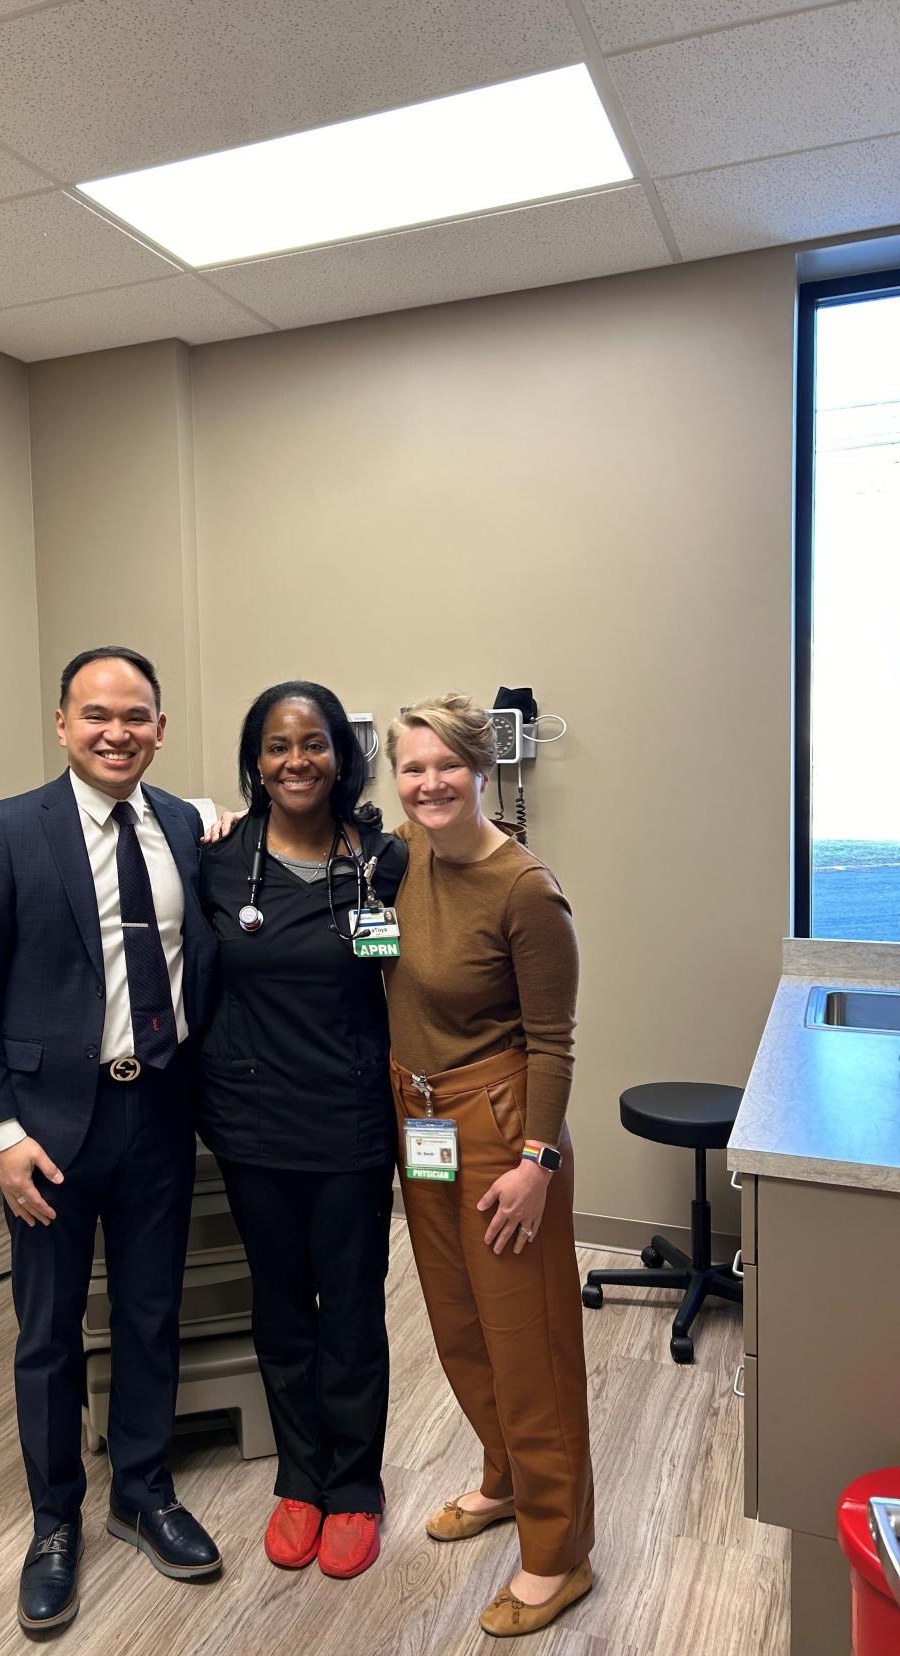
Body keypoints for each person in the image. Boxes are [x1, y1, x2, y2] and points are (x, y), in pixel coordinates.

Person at [0, 646, 221, 1636]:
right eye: (97, 714)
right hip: (48, 1129)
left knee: (149, 1315)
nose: (117, 732)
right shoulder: (9, 830)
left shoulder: (186, 825)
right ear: (62, 722)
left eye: (136, 716)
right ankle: (53, 1524)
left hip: (159, 1114)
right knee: (51, 1334)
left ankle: (141, 1490)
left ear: (159, 728)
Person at [384, 692, 594, 1640]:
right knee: (459, 1318)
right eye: (411, 767)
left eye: (445, 767)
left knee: (530, 1341)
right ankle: (504, 1479)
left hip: (500, 1125)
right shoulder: (406, 854)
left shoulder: (525, 891)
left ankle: (559, 1554)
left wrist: (538, 1163)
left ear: (481, 770)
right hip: (418, 1117)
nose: (428, 783)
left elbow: (553, 1042)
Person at [197, 682, 407, 1580]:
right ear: (255, 760)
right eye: (277, 746)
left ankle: (355, 1486)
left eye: (313, 744)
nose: (295, 761)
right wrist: (200, 812)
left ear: (339, 754)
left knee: (353, 1309)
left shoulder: (385, 861)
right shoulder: (215, 856)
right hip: (250, 1123)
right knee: (281, 1309)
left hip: (351, 1120)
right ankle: (299, 1478)